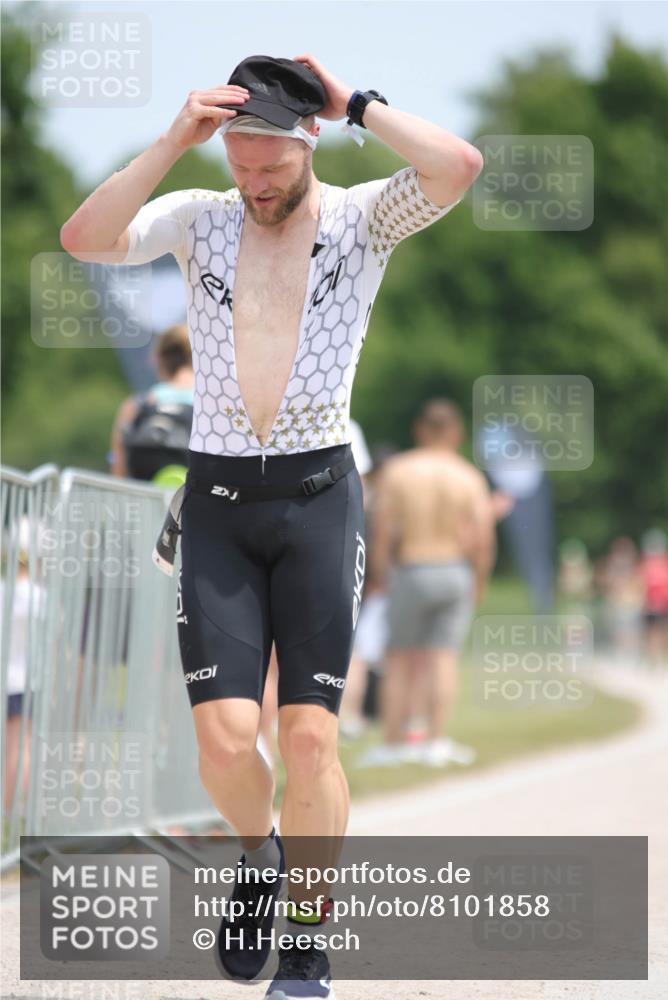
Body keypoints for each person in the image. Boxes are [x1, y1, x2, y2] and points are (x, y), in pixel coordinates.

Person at [60, 53, 483, 999]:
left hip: (318, 501)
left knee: (308, 742)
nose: (253, 184)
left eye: (271, 166)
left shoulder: (363, 217)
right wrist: (176, 139)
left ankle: (309, 933)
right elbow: (86, 239)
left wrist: (361, 104)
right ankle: (260, 857)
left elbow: (457, 166)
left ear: (309, 143)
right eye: (240, 164)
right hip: (216, 503)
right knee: (222, 739)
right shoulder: (199, 219)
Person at [359, 399, 495, 769]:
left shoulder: (400, 471)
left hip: (411, 568)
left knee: (399, 658)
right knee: (443, 658)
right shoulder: (469, 476)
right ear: (456, 433)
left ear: (420, 430)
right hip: (453, 569)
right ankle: (436, 741)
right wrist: (479, 580)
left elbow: (383, 529)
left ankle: (392, 743)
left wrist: (380, 576)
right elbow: (483, 538)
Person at [109, 323, 195, 484]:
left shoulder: (137, 405)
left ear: (160, 360)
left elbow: (118, 466)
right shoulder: (210, 405)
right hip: (197, 502)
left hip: (146, 501)